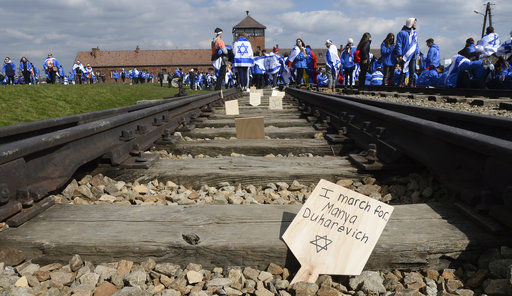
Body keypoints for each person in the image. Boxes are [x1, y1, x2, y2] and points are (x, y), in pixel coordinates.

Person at [396, 18, 419, 87]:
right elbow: (399, 44)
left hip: (413, 54)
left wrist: (417, 53)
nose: (415, 24)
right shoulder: (401, 33)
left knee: (412, 70)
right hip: (405, 55)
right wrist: (399, 54)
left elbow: (416, 44)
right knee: (404, 69)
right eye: (414, 23)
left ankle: (411, 83)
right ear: (410, 23)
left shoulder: (414, 33)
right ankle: (400, 83)